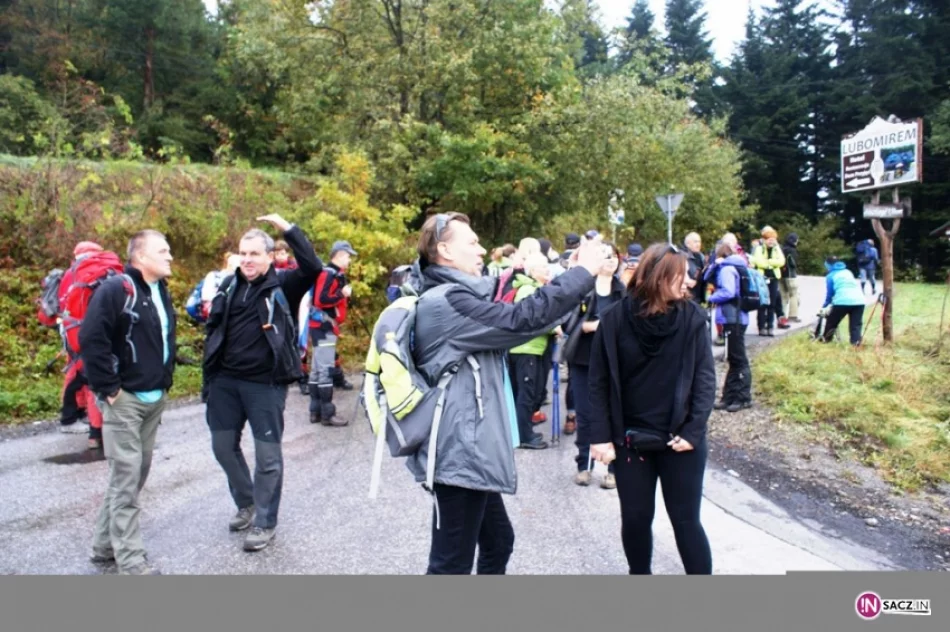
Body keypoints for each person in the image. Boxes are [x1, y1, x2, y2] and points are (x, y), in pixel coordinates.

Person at [410, 212, 608, 575]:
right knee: (449, 565)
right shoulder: (447, 303)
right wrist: (583, 275)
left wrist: (569, 276)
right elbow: (522, 320)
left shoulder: (458, 296)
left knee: (498, 543)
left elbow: (525, 314)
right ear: (444, 251)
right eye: (471, 242)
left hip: (472, 451)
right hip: (459, 455)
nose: (482, 248)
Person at [587, 243, 716, 575]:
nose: (689, 281)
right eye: (681, 275)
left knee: (687, 522)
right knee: (635, 518)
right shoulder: (614, 319)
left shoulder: (693, 319)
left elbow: (704, 381)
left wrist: (693, 431)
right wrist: (600, 437)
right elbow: (598, 382)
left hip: (680, 441)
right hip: (630, 441)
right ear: (659, 277)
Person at [202, 214, 322, 552]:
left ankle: (265, 521)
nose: (247, 260)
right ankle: (248, 501)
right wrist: (209, 378)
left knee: (267, 458)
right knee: (222, 448)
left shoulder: (283, 284)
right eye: (243, 253)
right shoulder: (228, 285)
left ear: (270, 257)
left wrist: (287, 227)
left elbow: (313, 267)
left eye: (255, 254)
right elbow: (215, 333)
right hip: (225, 381)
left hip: (265, 385)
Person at [79, 230, 177, 575]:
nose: (170, 257)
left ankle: (103, 546)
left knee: (133, 476)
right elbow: (91, 339)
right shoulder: (114, 290)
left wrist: (164, 383)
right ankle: (131, 561)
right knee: (126, 477)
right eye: (162, 251)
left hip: (154, 398)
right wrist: (110, 389)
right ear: (140, 257)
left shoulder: (159, 290)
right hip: (125, 401)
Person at [565, 242, 624, 489]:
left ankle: (613, 468)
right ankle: (584, 465)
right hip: (583, 359)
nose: (610, 261)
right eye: (605, 256)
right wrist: (588, 327)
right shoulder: (583, 289)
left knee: (614, 414)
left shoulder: (623, 292)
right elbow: (567, 322)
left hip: (614, 362)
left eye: (614, 257)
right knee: (586, 414)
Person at [508, 252, 560, 450]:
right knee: (526, 393)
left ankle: (523, 432)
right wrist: (553, 328)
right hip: (525, 348)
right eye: (543, 268)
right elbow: (530, 318)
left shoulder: (535, 288)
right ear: (533, 271)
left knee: (530, 392)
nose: (548, 271)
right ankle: (524, 436)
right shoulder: (527, 290)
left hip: (532, 348)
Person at [307, 240, 357, 426]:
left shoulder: (331, 273)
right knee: (325, 370)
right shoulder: (329, 274)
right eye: (348, 256)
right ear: (339, 255)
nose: (349, 260)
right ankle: (328, 414)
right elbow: (321, 300)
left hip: (319, 326)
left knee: (316, 370)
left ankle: (315, 412)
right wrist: (341, 295)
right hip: (324, 326)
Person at [706, 243, 753, 412]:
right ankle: (729, 397)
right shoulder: (737, 265)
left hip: (733, 317)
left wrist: (711, 299)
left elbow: (728, 292)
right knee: (734, 358)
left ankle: (743, 397)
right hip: (738, 316)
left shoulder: (727, 269)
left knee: (738, 359)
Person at [820, 255, 866, 346]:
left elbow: (830, 294)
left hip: (842, 301)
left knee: (832, 321)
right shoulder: (848, 272)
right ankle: (856, 344)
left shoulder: (830, 276)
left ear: (827, 266)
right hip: (859, 301)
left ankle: (826, 339)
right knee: (855, 325)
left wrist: (824, 306)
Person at [751, 226, 787, 336]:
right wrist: (772, 263)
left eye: (773, 239)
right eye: (769, 239)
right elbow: (759, 262)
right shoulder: (758, 249)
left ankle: (770, 326)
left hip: (774, 278)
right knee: (762, 303)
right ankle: (761, 327)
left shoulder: (777, 249)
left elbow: (781, 261)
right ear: (764, 240)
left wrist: (769, 262)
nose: (771, 241)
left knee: (772, 303)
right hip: (762, 279)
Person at [779, 233, 801, 324]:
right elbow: (793, 263)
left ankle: (782, 316)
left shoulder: (781, 249)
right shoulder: (792, 250)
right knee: (794, 295)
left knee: (783, 296)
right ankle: (793, 316)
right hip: (790, 275)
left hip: (780, 275)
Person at [683, 232, 706, 304]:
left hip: (698, 296)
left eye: (699, 241)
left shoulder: (701, 257)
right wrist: (684, 280)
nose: (698, 244)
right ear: (687, 244)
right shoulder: (681, 257)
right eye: (695, 241)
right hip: (686, 298)